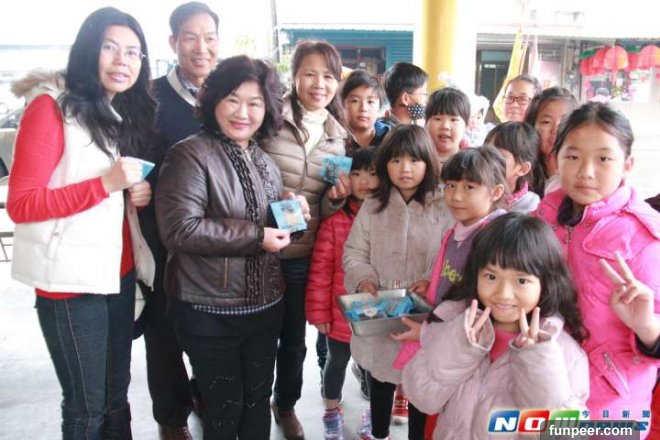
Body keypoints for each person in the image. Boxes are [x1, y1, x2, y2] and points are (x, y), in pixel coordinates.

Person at [7, 7, 156, 439]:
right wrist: (106, 184)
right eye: (110, 47)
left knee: (115, 396)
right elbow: (22, 203)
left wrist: (132, 194)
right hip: (70, 287)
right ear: (88, 49)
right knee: (86, 406)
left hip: (117, 274)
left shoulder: (110, 111)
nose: (122, 60)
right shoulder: (49, 108)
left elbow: (99, 190)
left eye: (133, 52)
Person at [155, 55, 308, 440]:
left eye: (255, 103)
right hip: (209, 311)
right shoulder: (189, 154)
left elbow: (273, 231)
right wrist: (256, 237)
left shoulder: (264, 161)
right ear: (213, 101)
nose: (243, 113)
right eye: (233, 100)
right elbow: (180, 229)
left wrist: (292, 215)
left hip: (265, 308)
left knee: (256, 402)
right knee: (223, 409)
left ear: (267, 109)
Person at [534, 102, 660, 439]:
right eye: (573, 156)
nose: (586, 172)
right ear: (556, 159)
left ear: (627, 164)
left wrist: (647, 327)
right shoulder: (539, 221)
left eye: (603, 159)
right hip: (543, 387)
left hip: (609, 407)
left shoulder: (646, 236)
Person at [402, 213, 589, 439]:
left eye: (521, 281)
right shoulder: (456, 324)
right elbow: (421, 398)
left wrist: (538, 363)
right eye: (491, 276)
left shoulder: (562, 352)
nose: (503, 293)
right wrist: (458, 348)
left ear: (546, 283)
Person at [261, 39, 349, 440]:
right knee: (255, 337)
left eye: (328, 76)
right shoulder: (269, 118)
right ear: (293, 76)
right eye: (310, 74)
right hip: (258, 247)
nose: (319, 84)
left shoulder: (336, 137)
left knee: (294, 340)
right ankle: (250, 402)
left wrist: (335, 199)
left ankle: (286, 405)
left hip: (301, 254)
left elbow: (327, 210)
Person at [139, 3, 219, 438]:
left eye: (209, 38)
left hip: (215, 236)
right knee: (164, 329)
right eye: (190, 37)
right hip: (161, 235)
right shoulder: (149, 97)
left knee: (210, 320)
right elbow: (130, 158)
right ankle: (171, 418)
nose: (201, 48)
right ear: (173, 42)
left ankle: (206, 393)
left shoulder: (226, 96)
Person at [343, 124, 453, 440]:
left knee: (420, 386)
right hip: (379, 307)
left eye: (414, 160)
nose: (405, 169)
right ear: (384, 164)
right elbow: (354, 251)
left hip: (425, 310)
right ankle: (379, 434)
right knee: (380, 380)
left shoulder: (444, 205)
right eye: (396, 160)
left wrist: (429, 280)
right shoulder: (373, 204)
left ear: (429, 163)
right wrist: (363, 279)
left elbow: (451, 254)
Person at [305, 147, 379, 439]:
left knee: (373, 367)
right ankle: (331, 411)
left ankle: (374, 413)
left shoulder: (389, 220)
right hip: (339, 316)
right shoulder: (334, 221)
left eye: (372, 173)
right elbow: (321, 271)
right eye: (356, 174)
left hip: (376, 315)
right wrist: (319, 313)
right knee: (336, 362)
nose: (364, 181)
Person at [524, 86, 577, 196]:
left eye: (564, 121)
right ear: (532, 127)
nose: (555, 130)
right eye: (546, 122)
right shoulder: (522, 174)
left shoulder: (583, 176)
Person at [484, 121, 544, 211]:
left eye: (498, 156)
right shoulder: (474, 189)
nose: (487, 159)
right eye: (485, 152)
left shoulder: (531, 205)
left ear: (523, 169)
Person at [341, 70, 389, 153]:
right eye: (355, 101)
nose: (363, 108)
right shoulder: (334, 140)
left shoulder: (390, 138)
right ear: (342, 104)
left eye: (370, 102)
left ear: (379, 106)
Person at [424, 87, 470, 168]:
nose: (445, 126)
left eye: (453, 120)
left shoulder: (472, 164)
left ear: (466, 125)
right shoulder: (416, 160)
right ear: (426, 123)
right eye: (438, 119)